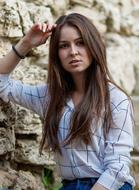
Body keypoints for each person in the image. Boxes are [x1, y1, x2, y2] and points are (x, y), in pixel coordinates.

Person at [0, 13, 135, 190]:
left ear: (93, 46)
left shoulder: (115, 99)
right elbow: (2, 82)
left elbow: (117, 167)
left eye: (80, 43)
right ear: (56, 53)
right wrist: (26, 44)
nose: (73, 51)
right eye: (64, 46)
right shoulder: (49, 97)